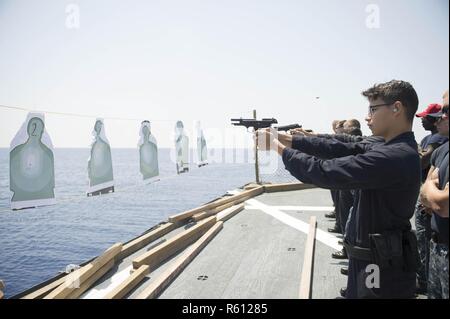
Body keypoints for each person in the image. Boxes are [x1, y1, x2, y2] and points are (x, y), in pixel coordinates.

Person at [257, 80, 421, 298]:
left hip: (379, 267)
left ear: (397, 108)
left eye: (373, 108)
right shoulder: (386, 146)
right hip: (371, 259)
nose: (367, 116)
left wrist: (277, 147)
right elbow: (339, 147)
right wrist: (286, 138)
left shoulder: (394, 156)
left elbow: (325, 171)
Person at [413, 103, 448, 294]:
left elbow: (420, 161)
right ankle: (424, 279)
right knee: (423, 242)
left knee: (424, 243)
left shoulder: (438, 141)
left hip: (432, 206)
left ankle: (424, 281)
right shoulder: (431, 140)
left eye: (425, 118)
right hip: (426, 201)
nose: (422, 121)